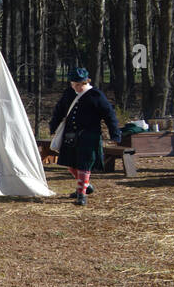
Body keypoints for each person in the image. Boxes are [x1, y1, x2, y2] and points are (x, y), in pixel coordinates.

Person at [48, 67, 120, 207]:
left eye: (79, 84)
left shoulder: (95, 95)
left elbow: (109, 115)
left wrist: (115, 133)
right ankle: (86, 185)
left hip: (89, 135)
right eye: (74, 84)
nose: (76, 87)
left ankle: (81, 194)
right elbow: (59, 109)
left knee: (84, 164)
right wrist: (53, 125)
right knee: (69, 163)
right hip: (70, 134)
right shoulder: (69, 93)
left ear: (85, 82)